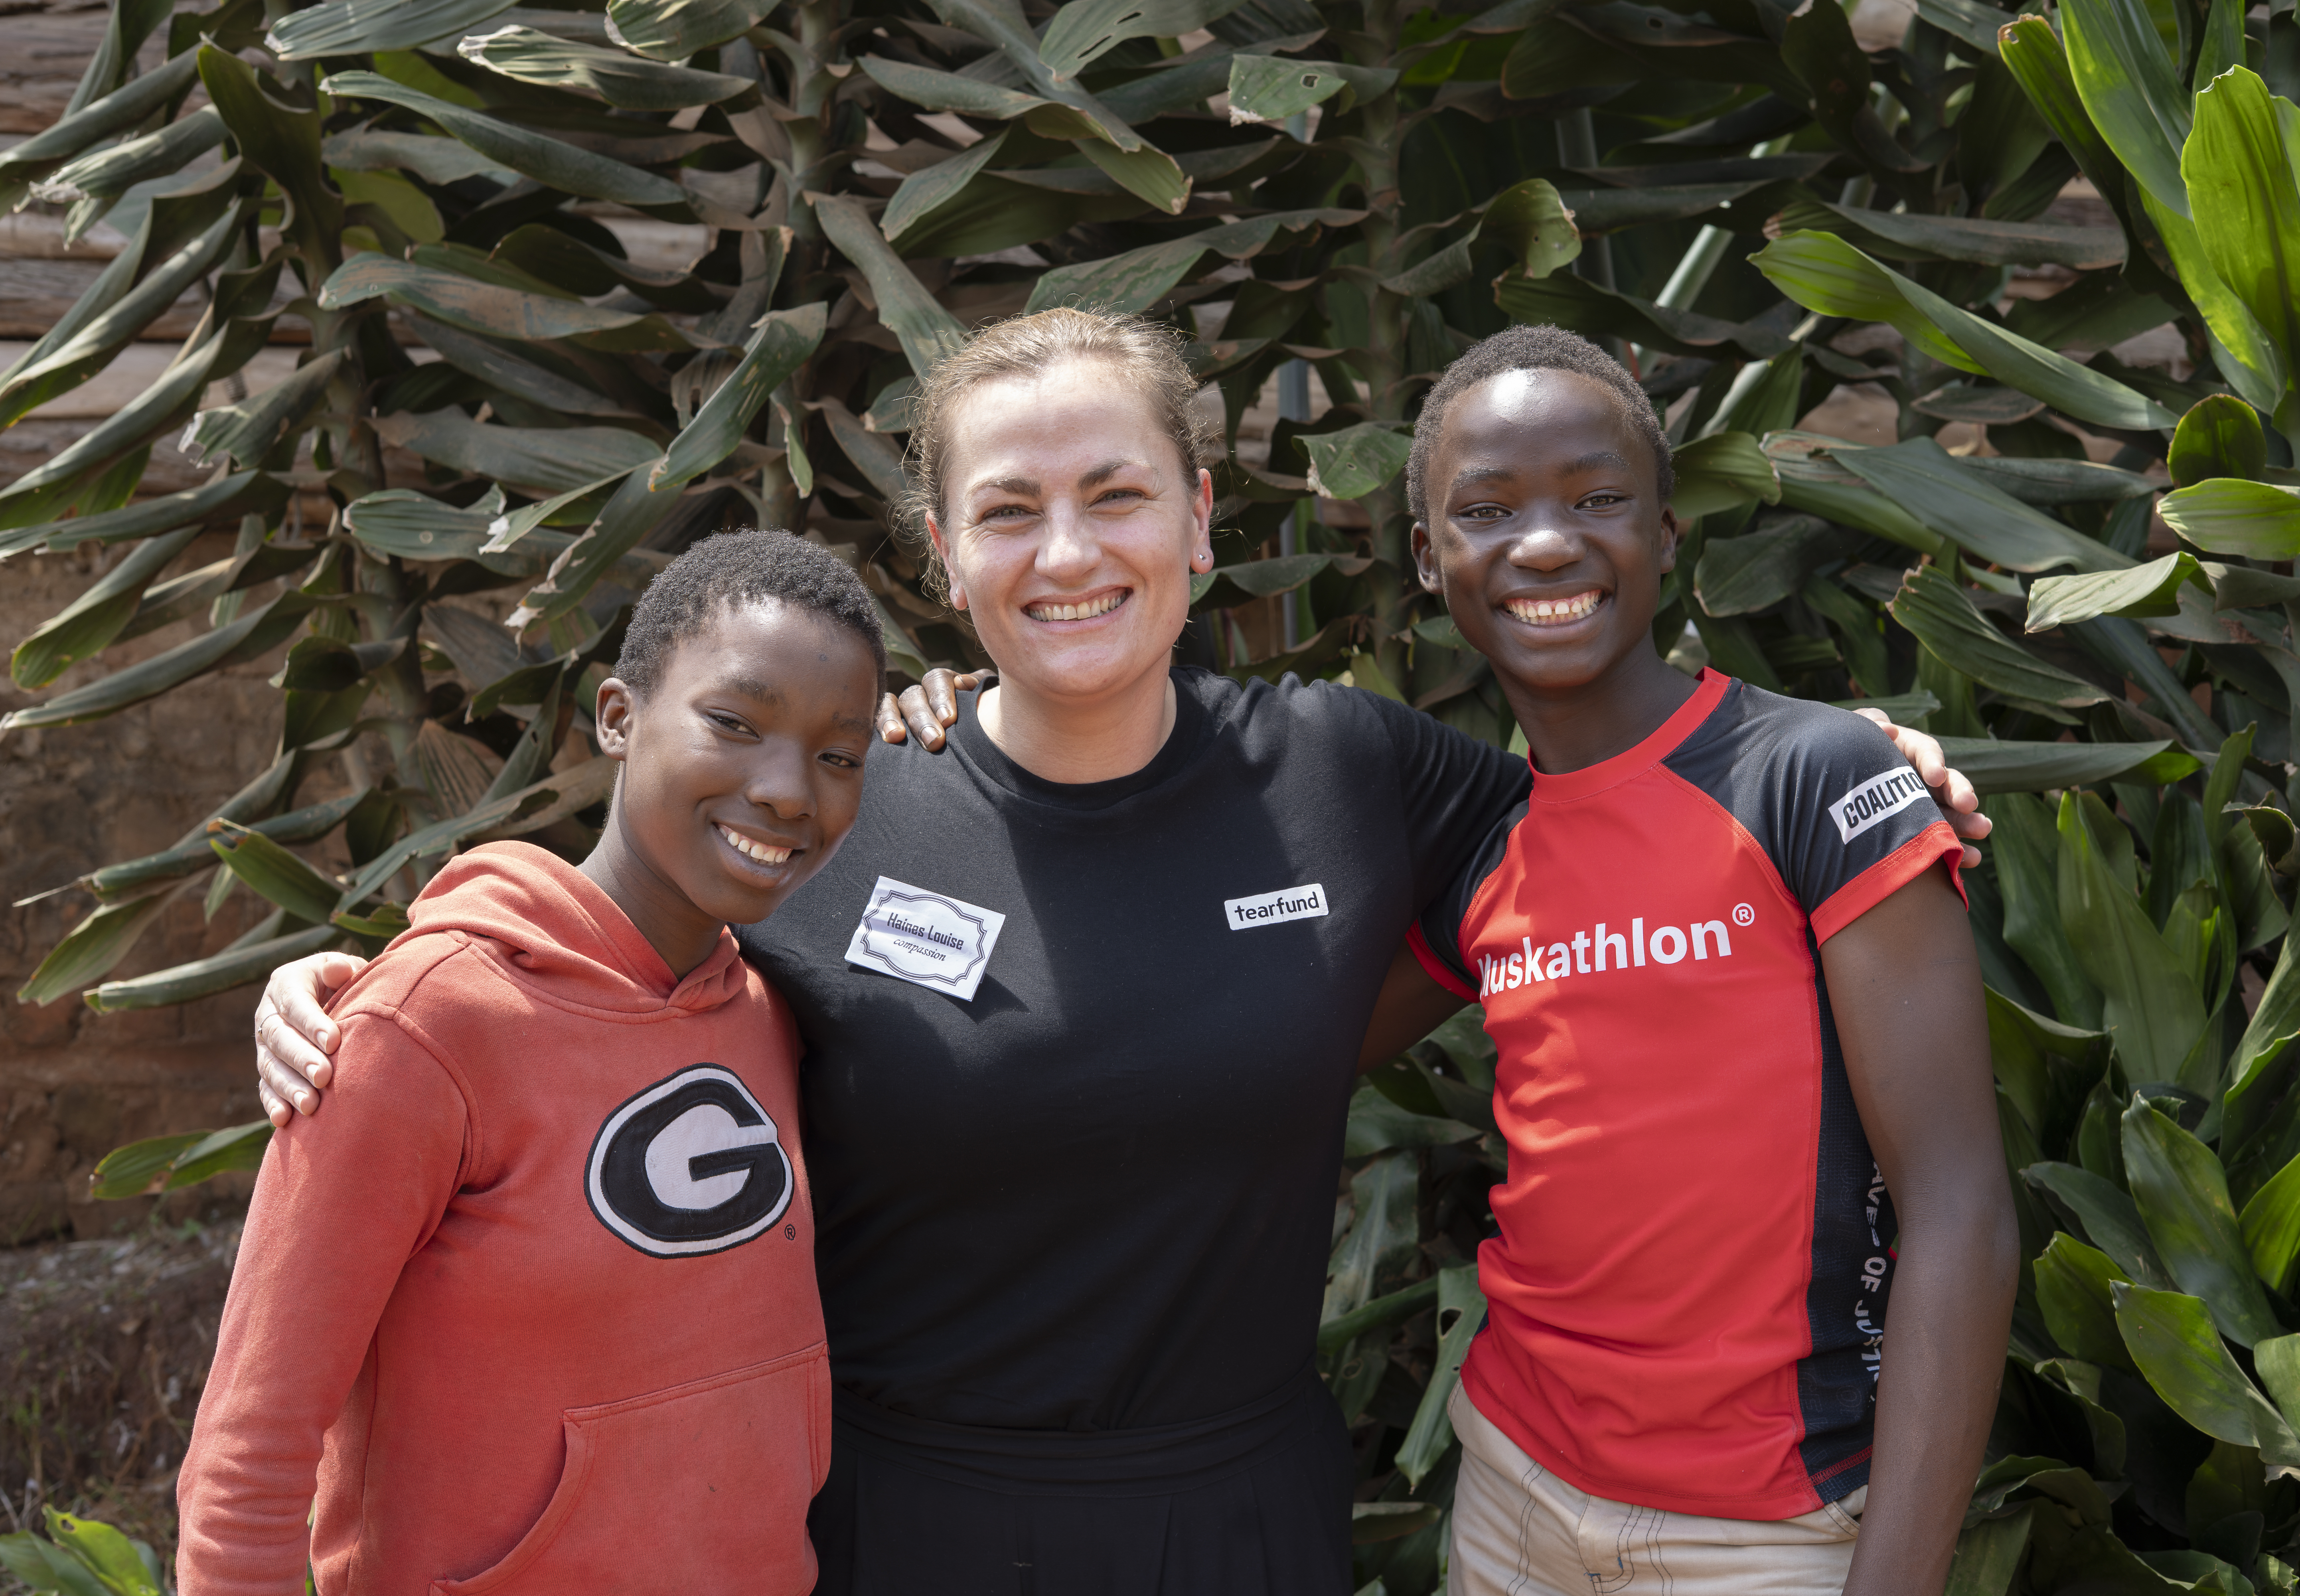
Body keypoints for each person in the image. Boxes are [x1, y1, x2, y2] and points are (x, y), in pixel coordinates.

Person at [246, 309, 1985, 1594]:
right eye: (1008, 511)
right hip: (901, 1523)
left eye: (1115, 494)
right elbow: (615, 965)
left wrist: (1842, 760)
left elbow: (1623, 804)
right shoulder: (861, 801)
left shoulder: (1352, 772)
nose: (1067, 553)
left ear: (1200, 516)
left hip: (1245, 1523)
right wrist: (378, 983)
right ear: (943, 554)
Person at [1391, 325, 2015, 1594]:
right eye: (1488, 509)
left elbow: (1961, 1211)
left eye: (1599, 496)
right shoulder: (1479, 840)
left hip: (1765, 1537)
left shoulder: (1812, 777)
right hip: (1511, 1494)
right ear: (1429, 558)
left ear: (1667, 532)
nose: (1549, 540)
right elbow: (1267, 1047)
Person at [179, 532, 885, 1595]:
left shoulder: (778, 1014)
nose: (790, 791)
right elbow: (248, 1461)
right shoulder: (429, 1027)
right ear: (617, 716)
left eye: (839, 755)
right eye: (735, 724)